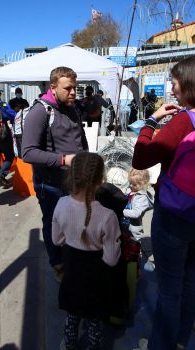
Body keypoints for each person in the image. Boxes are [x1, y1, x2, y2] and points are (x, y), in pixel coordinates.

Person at [132, 56, 195, 350]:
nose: (172, 91)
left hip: (173, 214)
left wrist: (152, 120)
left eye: (174, 84)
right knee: (188, 278)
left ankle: (160, 345)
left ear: (187, 84)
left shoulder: (184, 120)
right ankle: (180, 341)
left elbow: (140, 158)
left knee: (169, 289)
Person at [22, 66, 89, 281]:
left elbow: (80, 138)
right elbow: (28, 152)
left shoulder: (72, 107)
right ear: (53, 87)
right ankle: (57, 264)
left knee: (74, 222)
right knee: (54, 224)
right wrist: (63, 159)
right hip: (50, 184)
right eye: (68, 88)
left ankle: (70, 257)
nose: (73, 92)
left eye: (75, 88)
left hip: (74, 181)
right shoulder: (40, 111)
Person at [52, 152, 121, 350]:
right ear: (101, 181)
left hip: (72, 276)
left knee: (72, 317)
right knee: (94, 323)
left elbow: (57, 239)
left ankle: (69, 345)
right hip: (96, 281)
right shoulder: (108, 216)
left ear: (72, 177)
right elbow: (111, 259)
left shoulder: (61, 204)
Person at [122, 168, 153, 241]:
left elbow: (136, 213)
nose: (131, 186)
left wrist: (121, 211)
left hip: (136, 230)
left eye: (134, 184)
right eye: (130, 183)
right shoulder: (131, 190)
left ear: (143, 184)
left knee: (136, 245)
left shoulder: (142, 197)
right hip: (127, 223)